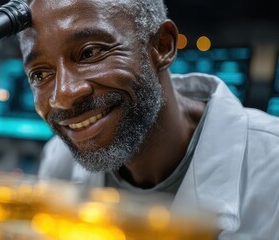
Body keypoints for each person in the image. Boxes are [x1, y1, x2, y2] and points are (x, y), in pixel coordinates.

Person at [17, 0, 279, 238]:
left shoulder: (271, 169)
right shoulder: (58, 160)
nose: (63, 96)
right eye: (40, 75)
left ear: (162, 46)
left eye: (90, 52)